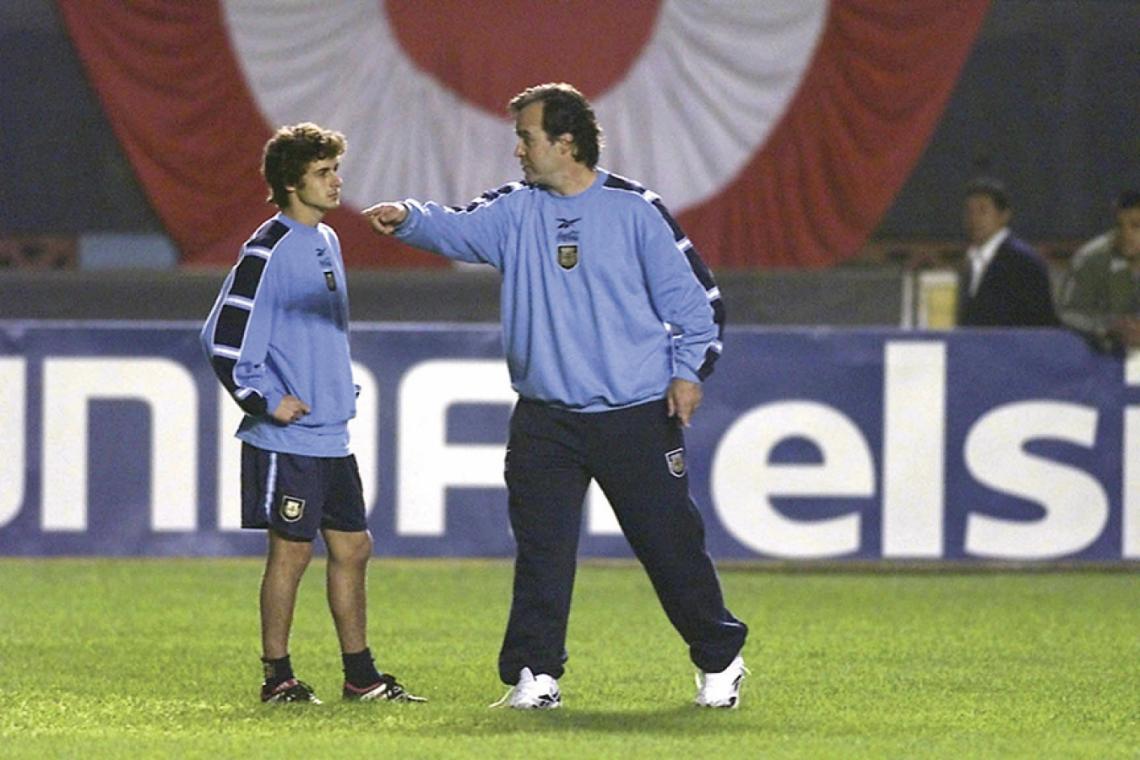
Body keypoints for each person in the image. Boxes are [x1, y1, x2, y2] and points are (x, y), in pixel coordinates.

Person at [363, 83, 748, 710]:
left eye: (526, 137)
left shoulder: (635, 210)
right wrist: (410, 218)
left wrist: (688, 372)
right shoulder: (516, 209)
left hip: (634, 416)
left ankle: (720, 659)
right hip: (545, 419)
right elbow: (458, 228)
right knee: (542, 552)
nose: (517, 150)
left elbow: (699, 306)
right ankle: (536, 676)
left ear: (564, 143)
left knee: (669, 547)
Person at [201, 122, 424, 705]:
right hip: (287, 437)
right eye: (323, 172)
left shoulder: (326, 241)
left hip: (329, 432)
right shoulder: (266, 249)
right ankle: (277, 677)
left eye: (335, 170)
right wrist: (268, 400)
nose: (336, 182)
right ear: (290, 181)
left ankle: (362, 677)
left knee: (354, 548)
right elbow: (223, 340)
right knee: (292, 552)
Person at [956, 177, 1059, 327]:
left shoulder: (1025, 263)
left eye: (982, 210)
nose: (974, 218)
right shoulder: (968, 260)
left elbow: (1040, 324)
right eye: (969, 211)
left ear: (1004, 215)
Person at [1057, 190, 1140, 353]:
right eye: (1119, 225)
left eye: (1136, 226)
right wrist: (1108, 326)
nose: (1126, 234)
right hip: (1104, 358)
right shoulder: (1091, 259)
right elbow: (1068, 313)